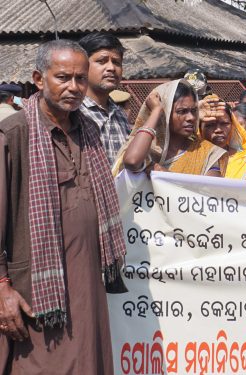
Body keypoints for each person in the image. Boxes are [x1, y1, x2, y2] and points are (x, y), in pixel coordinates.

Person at [0, 39, 127, 374]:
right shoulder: (14, 135)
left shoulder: (88, 132)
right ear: (39, 79)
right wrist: (2, 290)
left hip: (87, 284)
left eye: (80, 79)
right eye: (63, 78)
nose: (74, 87)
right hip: (37, 292)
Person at [114, 80, 226, 176]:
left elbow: (212, 192)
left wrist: (167, 177)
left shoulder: (206, 152)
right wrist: (157, 111)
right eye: (182, 111)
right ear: (165, 114)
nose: (191, 118)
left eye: (194, 111)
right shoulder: (148, 149)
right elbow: (132, 161)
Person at [77, 32, 131, 165]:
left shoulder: (119, 114)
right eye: (102, 61)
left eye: (117, 62)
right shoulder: (74, 113)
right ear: (83, 66)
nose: (111, 68)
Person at [198, 95, 246, 180]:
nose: (218, 130)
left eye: (224, 124)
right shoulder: (190, 159)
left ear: (232, 126)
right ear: (199, 129)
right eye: (210, 125)